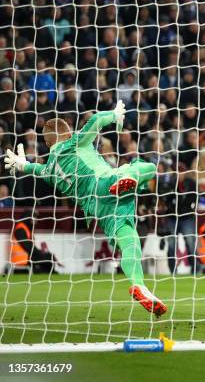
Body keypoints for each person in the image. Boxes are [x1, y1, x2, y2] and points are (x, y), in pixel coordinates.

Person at [4, 100, 167, 317]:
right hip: (104, 183)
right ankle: (129, 177)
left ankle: (139, 286)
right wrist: (115, 114)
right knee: (147, 166)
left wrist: (22, 165)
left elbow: (36, 169)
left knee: (130, 242)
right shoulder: (73, 143)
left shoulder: (50, 169)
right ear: (66, 133)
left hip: (98, 208)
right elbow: (97, 120)